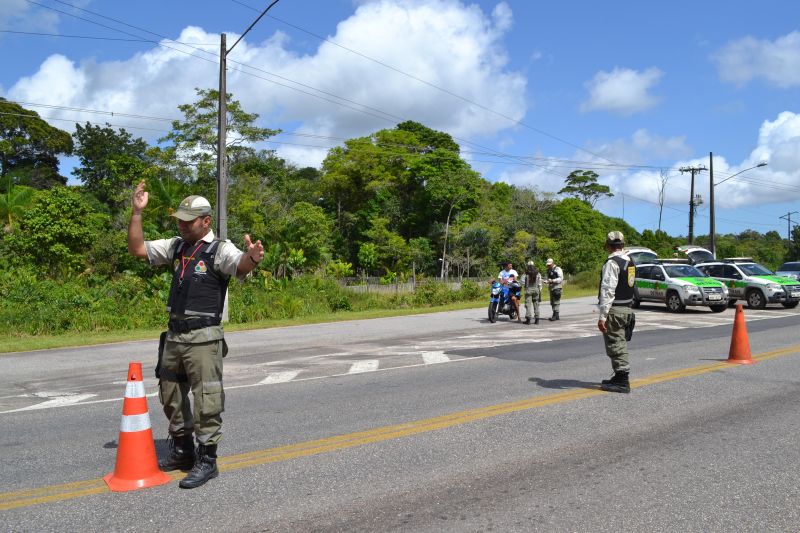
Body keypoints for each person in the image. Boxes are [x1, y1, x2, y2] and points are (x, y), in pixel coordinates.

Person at [127, 181, 264, 489]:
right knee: (171, 395)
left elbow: (240, 263)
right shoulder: (177, 246)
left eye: (189, 221)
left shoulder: (220, 249)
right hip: (174, 336)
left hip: (204, 337)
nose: (182, 225)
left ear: (206, 221)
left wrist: (253, 257)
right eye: (180, 220)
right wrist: (137, 212)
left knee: (207, 399)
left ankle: (207, 460)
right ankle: (183, 451)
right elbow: (137, 249)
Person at [597, 231, 636, 394]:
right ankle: (619, 376)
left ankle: (622, 379)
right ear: (623, 245)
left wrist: (602, 316)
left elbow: (608, 290)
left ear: (608, 246)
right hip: (627, 308)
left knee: (616, 344)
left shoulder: (612, 263)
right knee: (619, 341)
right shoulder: (630, 261)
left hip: (615, 309)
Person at [521, 260, 542, 325]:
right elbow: (540, 283)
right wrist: (539, 290)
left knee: (528, 304)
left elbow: (522, 281)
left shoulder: (526, 273)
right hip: (536, 289)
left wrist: (525, 285)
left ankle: (528, 319)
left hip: (528, 289)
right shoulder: (538, 273)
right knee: (536, 304)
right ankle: (537, 319)